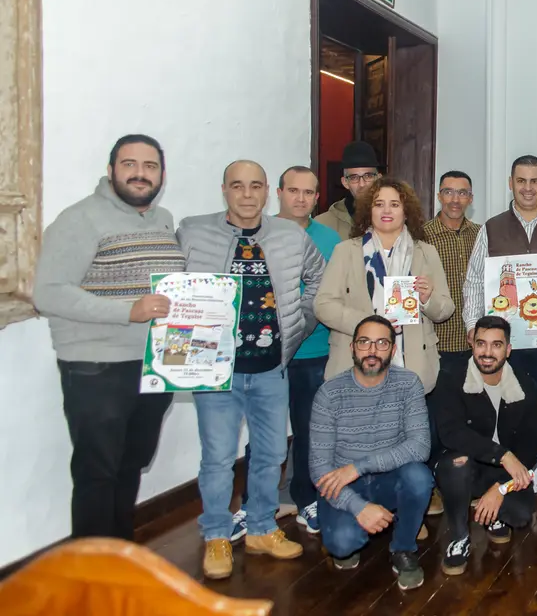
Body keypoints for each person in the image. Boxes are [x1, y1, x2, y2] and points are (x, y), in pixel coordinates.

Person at [177, 160, 326, 580]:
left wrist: (299, 323)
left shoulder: (291, 236)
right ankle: (217, 534)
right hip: (216, 371)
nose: (247, 194)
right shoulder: (193, 232)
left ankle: (261, 527)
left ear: (266, 192)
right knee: (219, 457)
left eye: (255, 186)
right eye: (238, 186)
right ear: (224, 189)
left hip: (271, 367)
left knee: (271, 453)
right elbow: (171, 285)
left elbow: (319, 278)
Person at [33, 134, 185, 540]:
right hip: (97, 366)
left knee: (131, 463)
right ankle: (93, 565)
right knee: (97, 472)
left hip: (153, 364)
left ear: (162, 175)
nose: (140, 173)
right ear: (111, 170)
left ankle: (119, 551)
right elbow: (48, 293)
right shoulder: (79, 219)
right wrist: (128, 311)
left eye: (150, 166)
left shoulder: (164, 219)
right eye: (129, 164)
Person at [231, 166, 343, 540]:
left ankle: (307, 499)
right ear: (277, 193)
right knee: (264, 432)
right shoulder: (257, 233)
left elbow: (332, 292)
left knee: (311, 432)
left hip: (314, 351)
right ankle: (253, 504)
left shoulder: (329, 239)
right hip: (264, 354)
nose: (301, 198)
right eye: (293, 190)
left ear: (317, 198)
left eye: (309, 192)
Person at [309, 315, 432, 591]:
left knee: (419, 477)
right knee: (343, 544)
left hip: (389, 477)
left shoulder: (408, 383)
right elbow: (319, 469)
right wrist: (358, 507)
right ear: (352, 347)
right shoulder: (329, 393)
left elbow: (420, 447)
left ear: (393, 349)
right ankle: (361, 524)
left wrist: (358, 467)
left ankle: (403, 547)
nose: (372, 350)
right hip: (344, 485)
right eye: (364, 342)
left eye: (382, 343)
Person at [463, 155, 537, 407]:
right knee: (508, 410)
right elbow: (474, 281)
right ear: (511, 183)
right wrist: (472, 325)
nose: (528, 188)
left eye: (535, 181)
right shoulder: (491, 228)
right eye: (521, 181)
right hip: (504, 342)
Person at [315, 177, 455, 390]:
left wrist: (427, 300)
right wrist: (368, 324)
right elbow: (323, 306)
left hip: (412, 366)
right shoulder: (345, 251)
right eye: (379, 204)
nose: (386, 210)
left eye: (395, 204)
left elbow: (445, 309)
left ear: (406, 212)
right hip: (354, 364)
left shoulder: (426, 253)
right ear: (368, 211)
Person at [432, 315, 537, 576]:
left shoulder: (525, 384)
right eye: (481, 343)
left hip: (501, 471)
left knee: (520, 515)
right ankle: (459, 536)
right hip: (465, 462)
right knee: (456, 465)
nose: (487, 352)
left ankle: (492, 514)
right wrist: (502, 455)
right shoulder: (451, 377)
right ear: (472, 344)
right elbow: (451, 432)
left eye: (496, 345)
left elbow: (531, 444)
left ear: (508, 349)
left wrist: (500, 488)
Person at [423, 170, 481, 385]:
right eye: (448, 192)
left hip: (476, 343)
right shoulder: (421, 236)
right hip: (437, 344)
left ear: (471, 198)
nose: (455, 200)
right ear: (439, 196)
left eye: (462, 193)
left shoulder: (482, 235)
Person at [315, 141, 380, 236]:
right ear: (345, 182)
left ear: (378, 178)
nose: (362, 184)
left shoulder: (393, 219)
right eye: (354, 178)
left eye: (368, 176)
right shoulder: (323, 224)